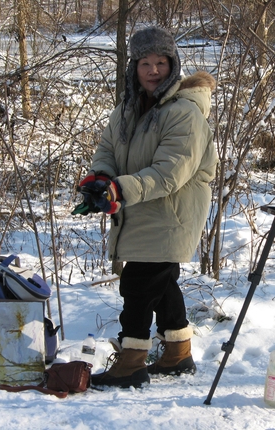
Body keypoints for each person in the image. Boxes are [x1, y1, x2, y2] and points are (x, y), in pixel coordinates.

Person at [76, 26, 218, 388]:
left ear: (173, 64)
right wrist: (101, 178)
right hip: (140, 208)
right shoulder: (127, 108)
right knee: (162, 281)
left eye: (161, 62)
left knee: (139, 284)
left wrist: (118, 189)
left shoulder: (184, 113)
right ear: (133, 67)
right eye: (145, 63)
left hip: (170, 212)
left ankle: (131, 362)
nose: (153, 70)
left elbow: (170, 173)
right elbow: (107, 149)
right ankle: (177, 353)